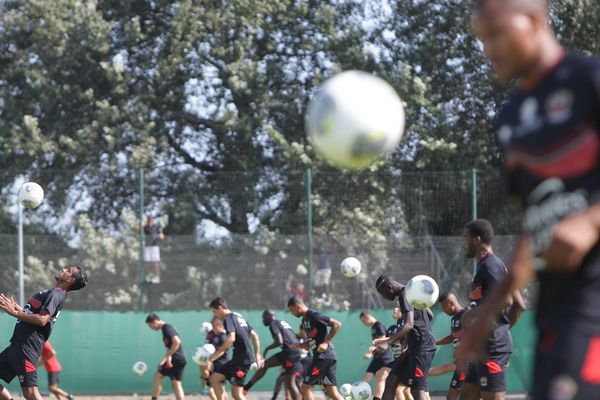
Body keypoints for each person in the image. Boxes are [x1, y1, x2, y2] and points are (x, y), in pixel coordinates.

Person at [457, 1, 600, 399]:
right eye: (483, 39)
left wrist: (589, 221)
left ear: (536, 21)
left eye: (497, 33)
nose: (489, 49)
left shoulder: (588, 80)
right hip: (560, 308)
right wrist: (484, 316)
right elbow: (531, 227)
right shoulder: (512, 119)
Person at [458, 219, 525, 400]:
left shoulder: (490, 266)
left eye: (465, 237)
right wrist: (501, 331)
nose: (463, 242)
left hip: (492, 348)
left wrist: (472, 314)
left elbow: (508, 300)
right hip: (484, 345)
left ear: (476, 239)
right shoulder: (491, 265)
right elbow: (520, 305)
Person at [0, 266, 87, 400]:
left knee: (30, 393)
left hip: (27, 348)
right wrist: (17, 308)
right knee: (29, 393)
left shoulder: (56, 293)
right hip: (16, 346)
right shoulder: (53, 292)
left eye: (68, 270)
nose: (63, 269)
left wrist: (14, 312)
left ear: (70, 279)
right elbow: (34, 314)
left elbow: (42, 320)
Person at [373, 275, 436, 400]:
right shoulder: (412, 291)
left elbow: (409, 324)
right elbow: (429, 315)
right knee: (391, 380)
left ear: (390, 287)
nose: (384, 297)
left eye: (383, 293)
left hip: (422, 348)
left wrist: (388, 342)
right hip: (414, 346)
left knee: (417, 391)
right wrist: (408, 337)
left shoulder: (404, 294)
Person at [287, 296, 344, 400]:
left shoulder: (314, 315)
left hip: (323, 356)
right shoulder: (304, 321)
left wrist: (326, 342)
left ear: (297, 306)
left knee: (304, 387)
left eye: (292, 310)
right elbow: (312, 340)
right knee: (332, 393)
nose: (292, 313)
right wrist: (302, 345)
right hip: (326, 357)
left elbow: (337, 324)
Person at [207, 298, 263, 400]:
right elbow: (255, 336)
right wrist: (257, 354)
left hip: (242, 361)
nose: (215, 315)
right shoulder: (238, 316)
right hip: (237, 359)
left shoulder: (228, 319)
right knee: (214, 378)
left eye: (214, 312)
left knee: (237, 394)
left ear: (220, 308)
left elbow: (231, 338)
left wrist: (215, 355)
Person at [244, 310, 301, 400]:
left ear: (267, 317)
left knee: (265, 365)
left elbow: (280, 341)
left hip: (289, 353)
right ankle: (246, 387)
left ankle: (246, 388)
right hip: (295, 352)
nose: (263, 321)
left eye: (263, 318)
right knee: (290, 383)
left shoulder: (273, 324)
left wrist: (267, 348)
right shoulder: (282, 322)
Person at [428, 293, 467, 400]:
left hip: (468, 363)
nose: (444, 311)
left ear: (450, 304)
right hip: (460, 363)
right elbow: (452, 337)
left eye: (444, 307)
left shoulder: (467, 315)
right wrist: (434, 343)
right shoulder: (454, 319)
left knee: (453, 394)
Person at [145, 313, 187, 400]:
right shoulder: (166, 328)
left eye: (150, 326)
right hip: (180, 359)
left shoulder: (166, 327)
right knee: (176, 383)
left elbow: (177, 342)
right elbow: (171, 348)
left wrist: (169, 356)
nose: (151, 328)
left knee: (157, 376)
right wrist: (164, 360)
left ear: (154, 322)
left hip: (176, 359)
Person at [359, 311, 394, 400]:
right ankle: (359, 396)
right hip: (377, 357)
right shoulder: (373, 327)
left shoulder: (379, 325)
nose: (363, 323)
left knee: (382, 380)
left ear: (368, 317)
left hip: (385, 358)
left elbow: (382, 339)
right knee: (366, 378)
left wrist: (370, 352)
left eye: (363, 321)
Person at [386, 307, 413, 400]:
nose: (394, 310)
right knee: (406, 391)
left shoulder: (407, 324)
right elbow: (387, 341)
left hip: (408, 360)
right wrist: (380, 343)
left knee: (399, 390)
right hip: (398, 360)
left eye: (397, 309)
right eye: (393, 310)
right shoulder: (391, 328)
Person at [201, 318, 229, 400]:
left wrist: (211, 360)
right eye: (213, 325)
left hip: (222, 364)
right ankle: (206, 386)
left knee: (221, 388)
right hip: (211, 363)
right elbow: (206, 347)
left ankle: (207, 385)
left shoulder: (224, 337)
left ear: (221, 326)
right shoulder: (210, 334)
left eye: (216, 325)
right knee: (203, 371)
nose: (214, 327)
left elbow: (222, 351)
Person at [144, 216, 165, 284]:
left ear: (153, 220)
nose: (150, 221)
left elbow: (162, 236)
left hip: (154, 246)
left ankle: (157, 277)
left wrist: (158, 236)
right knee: (147, 261)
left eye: (151, 220)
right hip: (147, 246)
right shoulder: (145, 227)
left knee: (155, 261)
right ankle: (148, 276)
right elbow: (136, 232)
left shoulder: (157, 227)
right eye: (149, 220)